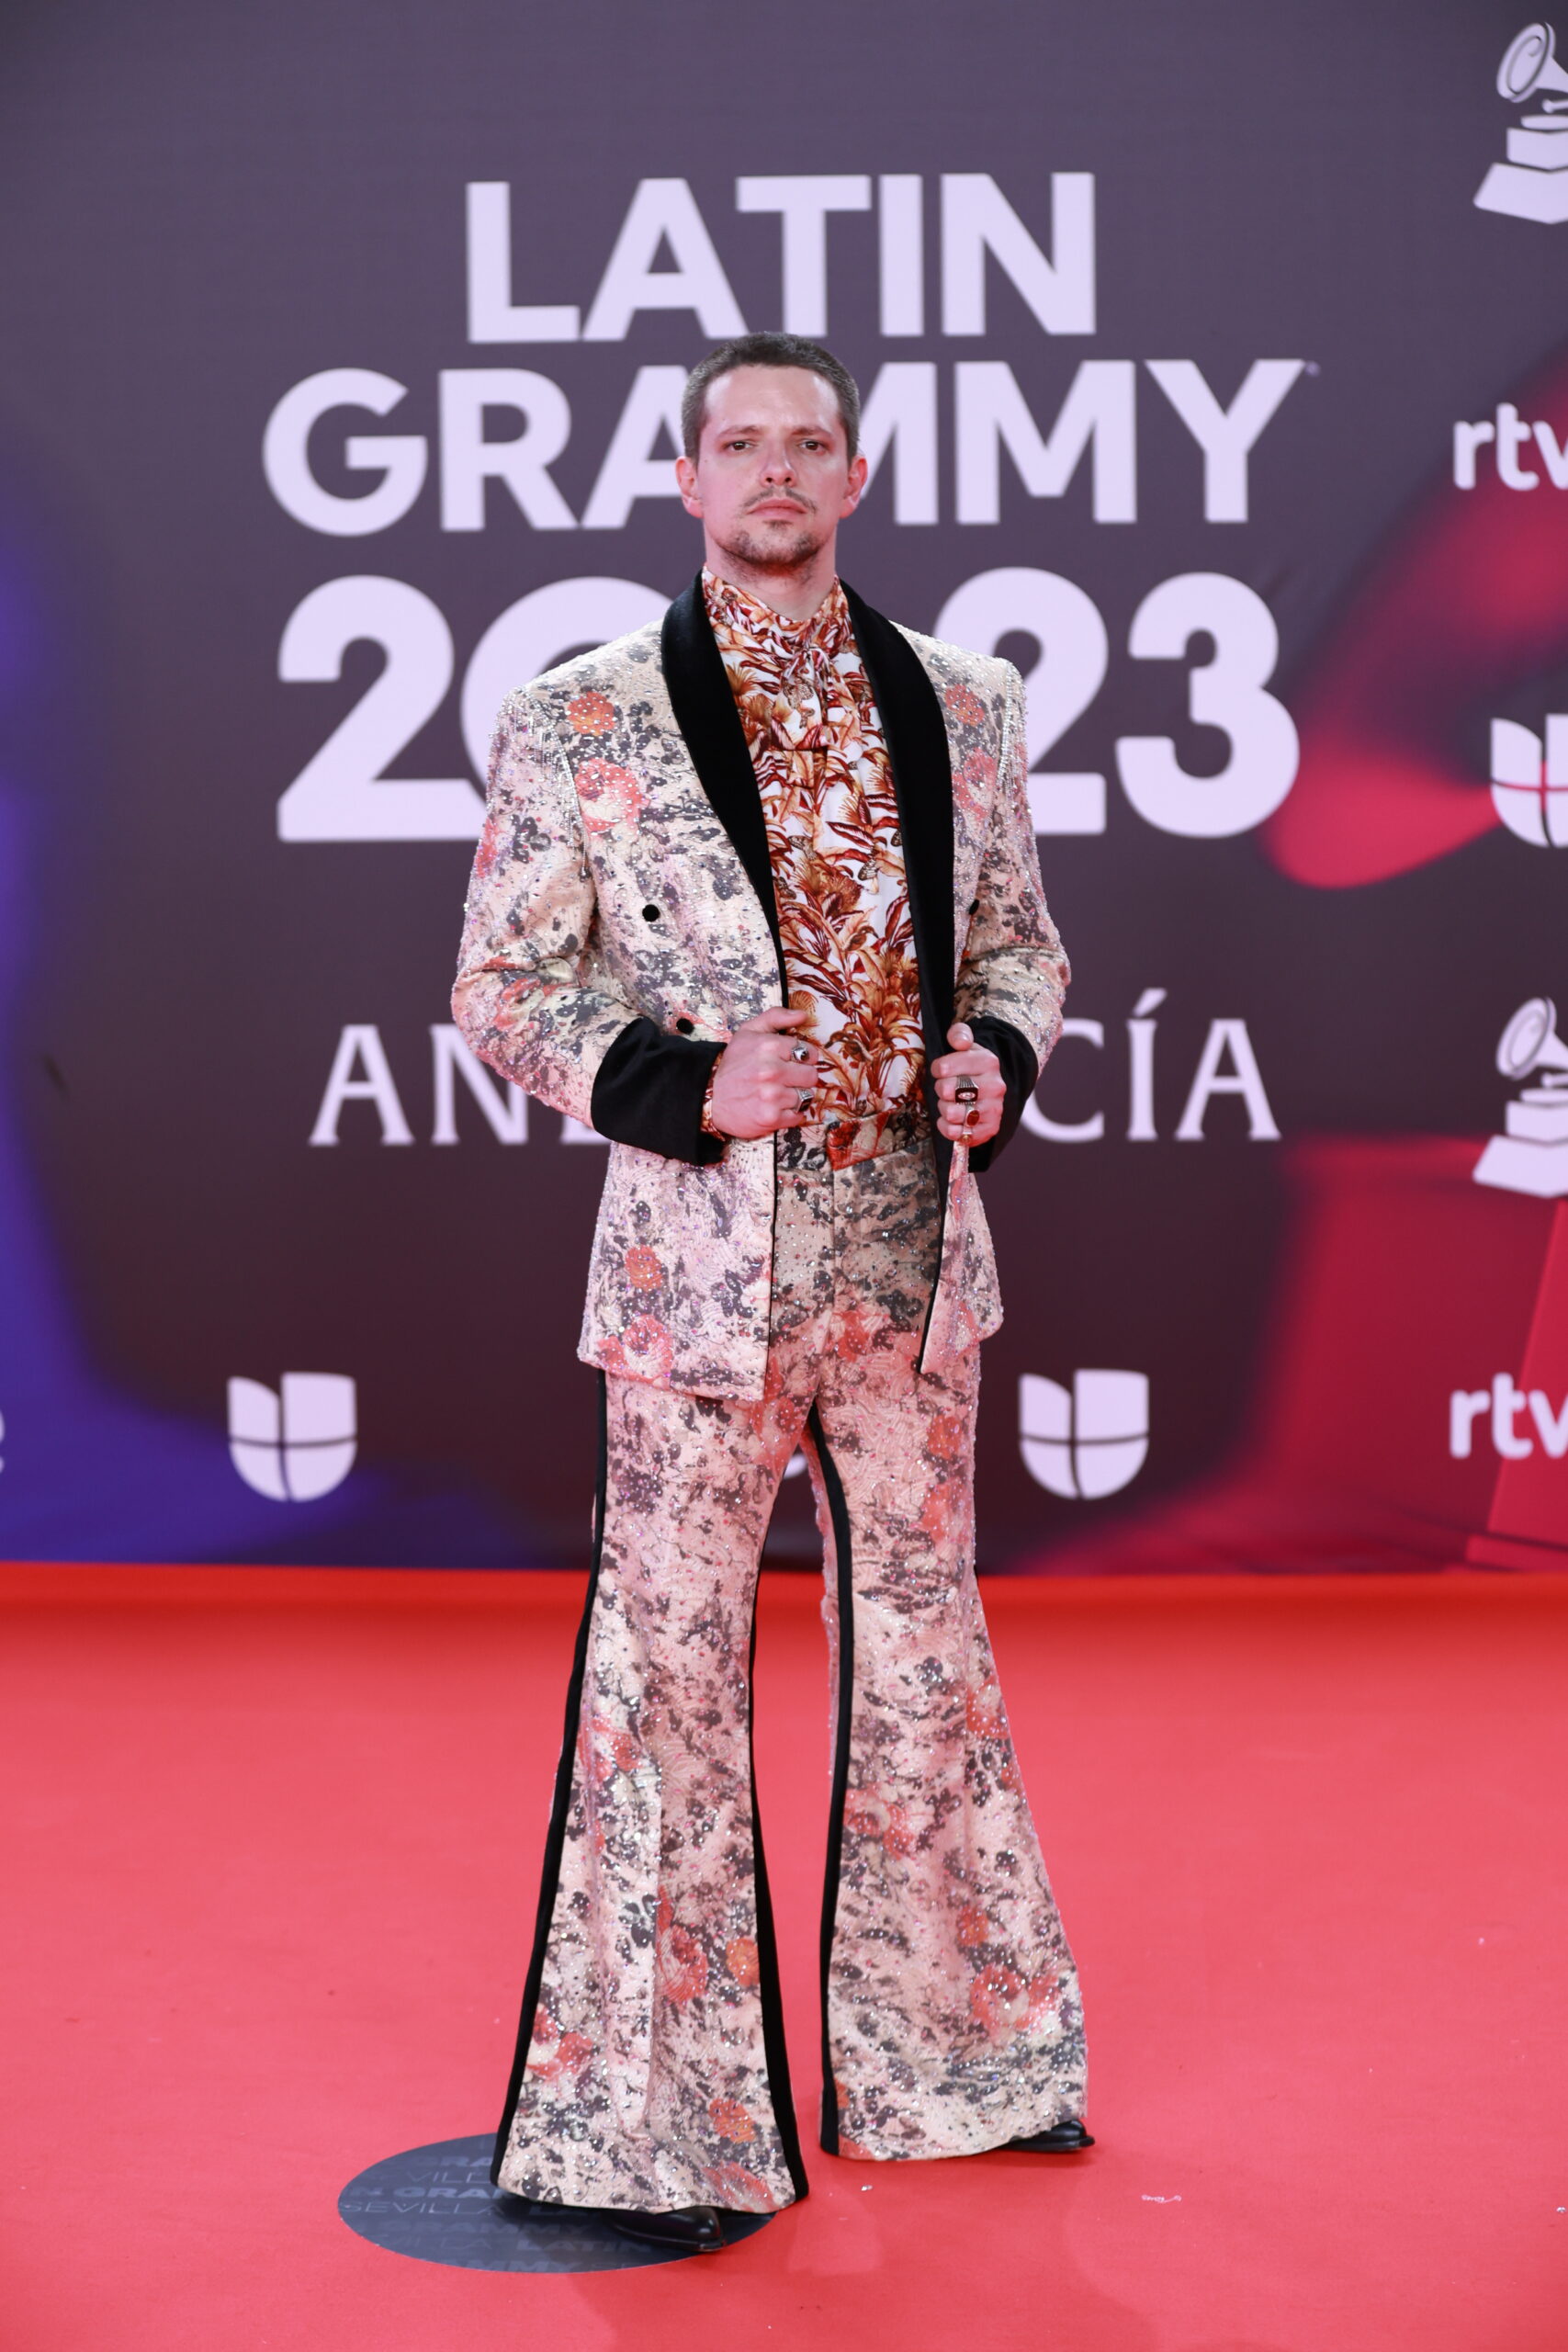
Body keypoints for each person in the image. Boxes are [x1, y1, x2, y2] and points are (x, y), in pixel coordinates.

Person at [452, 331, 1089, 2256]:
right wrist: (670, 1084)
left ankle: (954, 2064)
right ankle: (656, 2116)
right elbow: (499, 985)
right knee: (666, 1689)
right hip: (691, 1298)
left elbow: (1022, 949)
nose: (777, 473)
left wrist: (995, 1051)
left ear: (857, 471)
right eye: (741, 444)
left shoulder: (965, 701)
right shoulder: (580, 712)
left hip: (908, 1286)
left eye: (810, 442)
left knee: (928, 1668)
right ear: (686, 477)